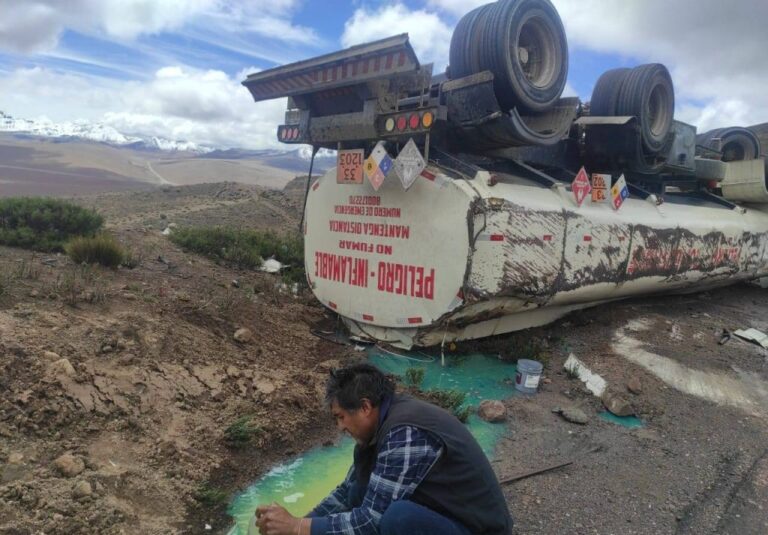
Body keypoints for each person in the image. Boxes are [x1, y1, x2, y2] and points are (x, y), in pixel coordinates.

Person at [255, 363, 513, 535]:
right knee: (359, 490)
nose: (340, 427)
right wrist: (295, 523)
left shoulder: (405, 433)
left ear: (365, 407)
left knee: (397, 518)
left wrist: (300, 527)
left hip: (478, 529)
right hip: (444, 517)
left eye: (341, 417)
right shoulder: (378, 431)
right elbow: (346, 493)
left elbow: (371, 520)